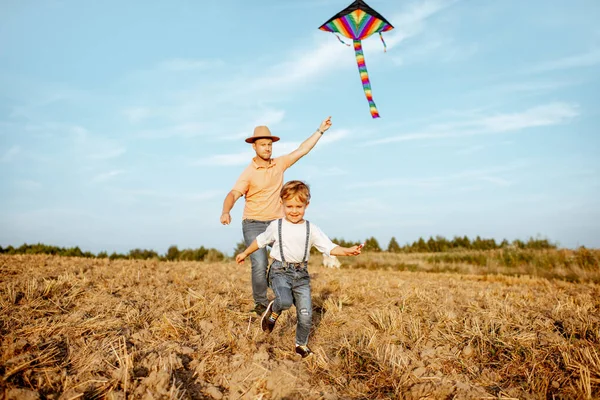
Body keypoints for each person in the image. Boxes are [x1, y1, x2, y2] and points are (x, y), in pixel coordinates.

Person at [235, 181, 362, 358]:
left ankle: (300, 344)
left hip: (301, 276)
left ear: (306, 205)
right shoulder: (276, 226)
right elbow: (260, 240)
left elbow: (329, 247)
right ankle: (275, 309)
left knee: (305, 315)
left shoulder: (311, 229)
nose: (294, 211)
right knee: (285, 301)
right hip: (280, 271)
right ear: (282, 204)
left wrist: (347, 251)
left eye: (298, 206)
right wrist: (245, 253)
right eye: (289, 206)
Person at [221, 118, 332, 316]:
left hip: (277, 223)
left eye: (270, 145)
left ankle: (290, 291)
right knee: (260, 263)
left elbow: (301, 150)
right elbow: (233, 194)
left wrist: (320, 131)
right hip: (253, 223)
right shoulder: (248, 173)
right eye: (263, 145)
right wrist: (226, 211)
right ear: (254, 147)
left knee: (290, 257)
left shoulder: (279, 164)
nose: (267, 148)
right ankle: (261, 303)